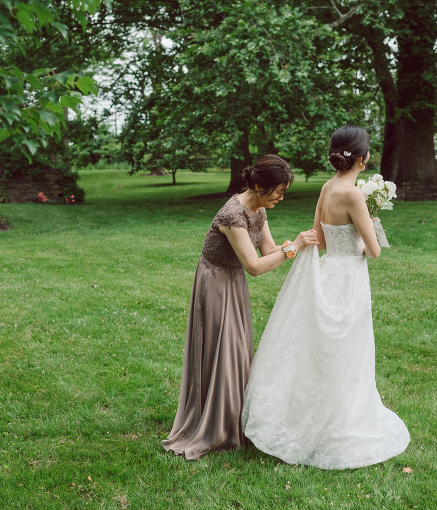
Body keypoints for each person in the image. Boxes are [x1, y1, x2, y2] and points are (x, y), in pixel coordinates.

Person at [241, 126, 410, 469]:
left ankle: (307, 413)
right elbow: (373, 251)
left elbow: (317, 237)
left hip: (329, 270)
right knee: (347, 350)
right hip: (350, 279)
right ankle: (340, 423)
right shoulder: (354, 195)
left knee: (322, 349)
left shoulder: (328, 187)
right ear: (362, 159)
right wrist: (370, 222)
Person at [162, 154, 318, 461]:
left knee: (236, 350)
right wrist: (294, 249)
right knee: (224, 349)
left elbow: (269, 249)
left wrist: (295, 246)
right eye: (278, 192)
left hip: (233, 282)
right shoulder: (232, 215)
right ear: (260, 186)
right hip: (216, 284)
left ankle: (235, 417)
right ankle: (216, 424)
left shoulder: (259, 208)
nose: (281, 198)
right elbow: (255, 266)